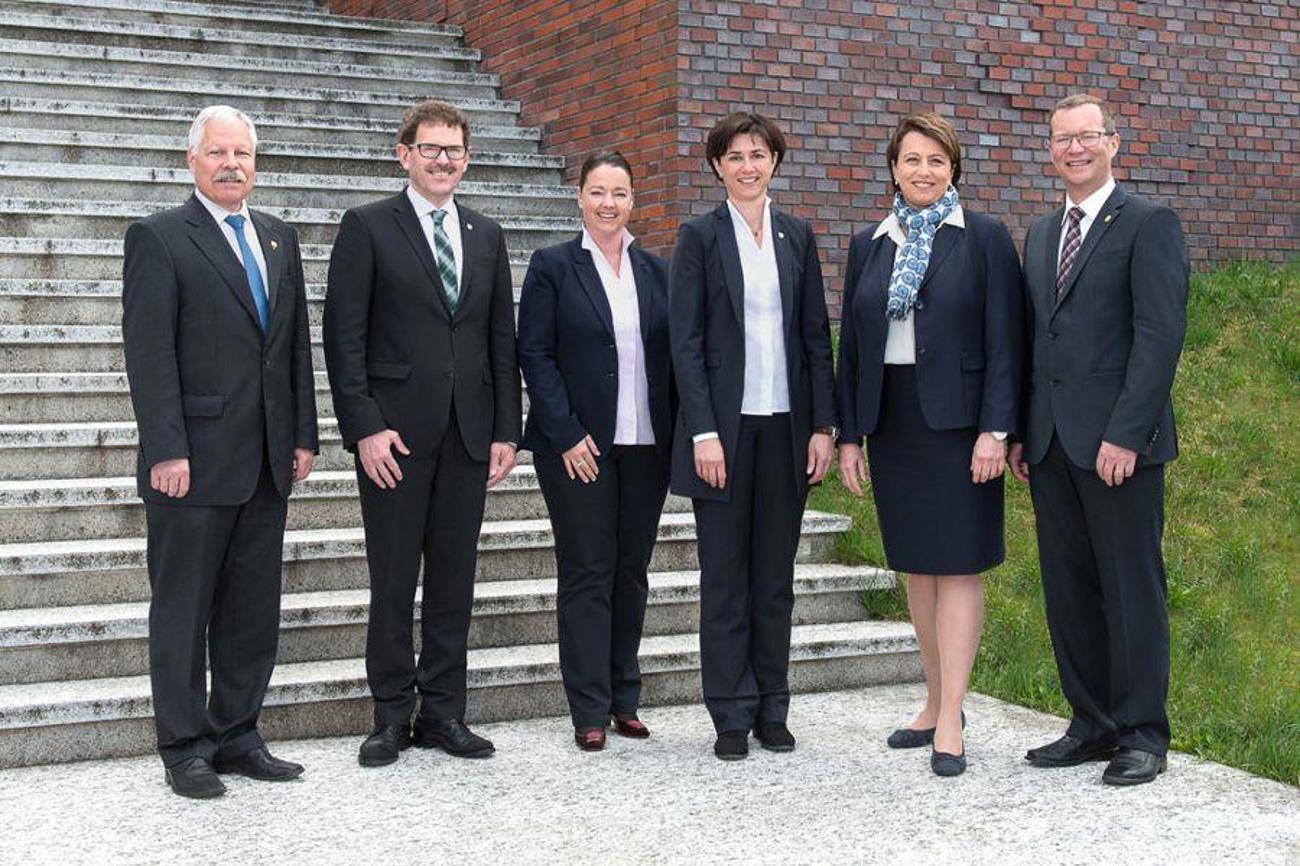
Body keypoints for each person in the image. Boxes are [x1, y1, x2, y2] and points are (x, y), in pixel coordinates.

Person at [121, 105, 319, 799]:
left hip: (265, 459)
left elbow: (292, 345)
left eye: (243, 153)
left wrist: (302, 434)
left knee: (251, 610)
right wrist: (166, 448)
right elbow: (148, 356)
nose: (232, 163)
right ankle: (184, 748)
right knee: (184, 609)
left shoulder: (276, 237)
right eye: (219, 153)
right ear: (192, 161)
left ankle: (238, 734)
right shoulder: (160, 237)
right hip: (194, 464)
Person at [323, 99, 522, 767]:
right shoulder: (368, 227)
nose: (444, 159)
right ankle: (388, 717)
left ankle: (443, 713)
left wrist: (506, 429)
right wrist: (364, 428)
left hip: (469, 435)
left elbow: (501, 338)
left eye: (455, 149)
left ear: (467, 157)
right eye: (431, 148)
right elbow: (343, 337)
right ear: (403, 153)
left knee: (454, 581)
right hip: (395, 441)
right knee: (393, 579)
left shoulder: (485, 233)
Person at [835, 112, 1023, 777]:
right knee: (917, 564)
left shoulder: (984, 239)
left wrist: (996, 430)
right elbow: (853, 347)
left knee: (959, 565)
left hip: (961, 426)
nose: (923, 171)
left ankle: (952, 719)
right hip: (894, 424)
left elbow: (1008, 340)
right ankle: (936, 699)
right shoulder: (870, 242)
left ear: (954, 170)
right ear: (892, 167)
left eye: (936, 161)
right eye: (911, 159)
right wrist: (850, 434)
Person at [1011, 94, 1188, 786]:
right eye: (1062, 139)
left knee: (1130, 587)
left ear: (1114, 143)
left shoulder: (1149, 223)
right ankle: (1091, 723)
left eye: (1087, 137)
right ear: (1050, 150)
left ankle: (1143, 731)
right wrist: (1027, 432)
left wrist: (1128, 434)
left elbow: (1159, 335)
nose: (1074, 149)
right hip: (1053, 445)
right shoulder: (1041, 233)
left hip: (1121, 448)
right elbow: (1038, 343)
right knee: (1070, 589)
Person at [669, 112, 837, 761]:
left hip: (786, 430)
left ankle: (773, 706)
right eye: (735, 155)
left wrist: (822, 425)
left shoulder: (797, 235)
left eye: (758, 154)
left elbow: (814, 337)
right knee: (726, 581)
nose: (747, 165)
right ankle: (730, 714)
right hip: (725, 436)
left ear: (774, 161)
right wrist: (703, 431)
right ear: (717, 166)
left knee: (774, 579)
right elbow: (685, 343)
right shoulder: (700, 237)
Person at [517, 152, 674, 752]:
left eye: (621, 193)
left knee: (632, 572)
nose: (609, 203)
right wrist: (564, 433)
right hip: (577, 447)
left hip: (645, 446)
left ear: (635, 200)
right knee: (587, 572)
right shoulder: (553, 266)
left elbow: (671, 358)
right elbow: (535, 353)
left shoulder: (657, 272)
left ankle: (623, 699)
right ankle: (587, 706)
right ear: (580, 197)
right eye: (598, 192)